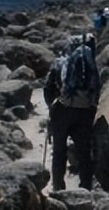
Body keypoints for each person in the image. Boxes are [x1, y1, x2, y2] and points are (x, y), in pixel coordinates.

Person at [43, 32, 100, 192]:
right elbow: (97, 89)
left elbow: (48, 88)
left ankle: (58, 188)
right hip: (85, 112)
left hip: (62, 111)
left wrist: (51, 107)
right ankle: (86, 188)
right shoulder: (91, 64)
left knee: (59, 151)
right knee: (84, 151)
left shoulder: (61, 62)